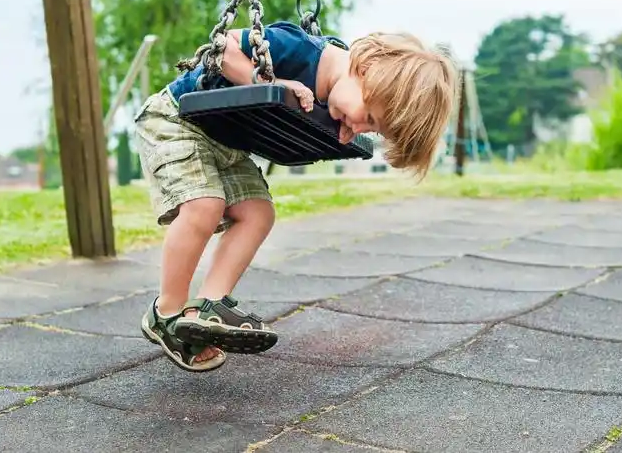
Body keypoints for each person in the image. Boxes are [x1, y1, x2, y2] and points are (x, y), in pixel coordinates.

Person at [136, 21, 457, 372]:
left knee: (259, 213)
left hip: (224, 142)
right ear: (366, 68)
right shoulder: (296, 47)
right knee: (205, 205)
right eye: (368, 118)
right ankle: (166, 312)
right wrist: (268, 82)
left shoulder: (337, 92)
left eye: (372, 129)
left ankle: (209, 308)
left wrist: (334, 130)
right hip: (176, 118)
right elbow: (223, 46)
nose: (361, 127)